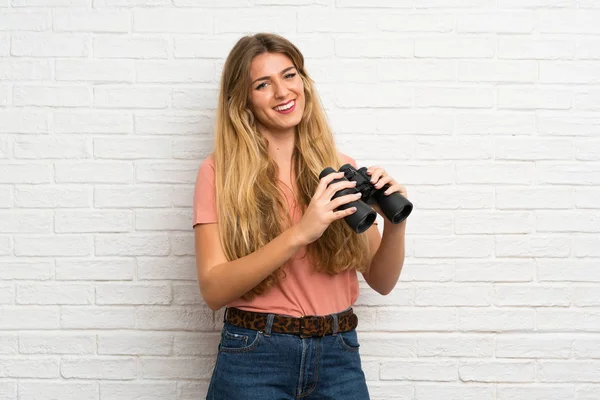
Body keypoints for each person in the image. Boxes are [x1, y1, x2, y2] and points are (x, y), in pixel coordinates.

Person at [193, 32, 407, 399]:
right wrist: (300, 232)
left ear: (303, 82)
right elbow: (213, 290)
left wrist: (395, 222)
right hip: (255, 357)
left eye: (289, 75)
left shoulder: (340, 169)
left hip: (338, 355)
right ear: (242, 100)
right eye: (263, 84)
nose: (282, 92)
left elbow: (382, 282)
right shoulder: (220, 173)